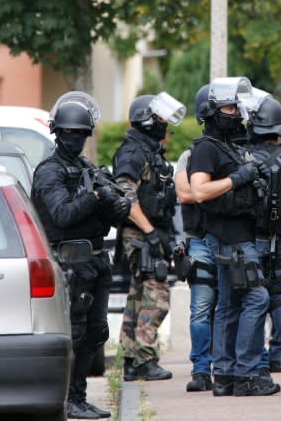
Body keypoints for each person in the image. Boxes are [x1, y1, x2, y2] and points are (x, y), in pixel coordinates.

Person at [31, 91, 131, 419]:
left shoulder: (86, 167)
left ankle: (80, 396)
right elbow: (61, 214)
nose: (75, 139)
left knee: (96, 332)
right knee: (76, 332)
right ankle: (69, 399)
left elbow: (107, 205)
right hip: (71, 261)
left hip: (96, 259)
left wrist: (116, 206)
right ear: (58, 134)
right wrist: (96, 199)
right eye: (69, 134)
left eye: (81, 134)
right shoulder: (50, 171)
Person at [188, 77, 280, 397]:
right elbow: (200, 191)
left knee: (228, 305)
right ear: (211, 112)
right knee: (258, 299)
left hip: (237, 235)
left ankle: (224, 376)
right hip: (231, 239)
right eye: (229, 107)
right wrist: (238, 177)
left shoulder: (228, 146)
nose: (235, 112)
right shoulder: (206, 149)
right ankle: (248, 373)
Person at [113, 92, 186, 382]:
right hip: (141, 234)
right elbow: (126, 197)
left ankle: (130, 360)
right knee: (157, 297)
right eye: (159, 117)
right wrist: (151, 233)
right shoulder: (134, 153)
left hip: (147, 232)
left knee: (137, 297)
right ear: (146, 119)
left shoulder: (147, 150)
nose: (164, 123)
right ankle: (145, 359)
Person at [241, 93, 281, 374]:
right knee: (279, 295)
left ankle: (259, 357)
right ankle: (279, 356)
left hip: (252, 237)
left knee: (253, 297)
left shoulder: (245, 156)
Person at [174, 85, 218, 392]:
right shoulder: (188, 155)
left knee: (234, 307)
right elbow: (186, 193)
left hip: (231, 239)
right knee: (202, 309)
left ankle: (231, 366)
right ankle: (201, 369)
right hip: (201, 240)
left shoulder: (235, 151)